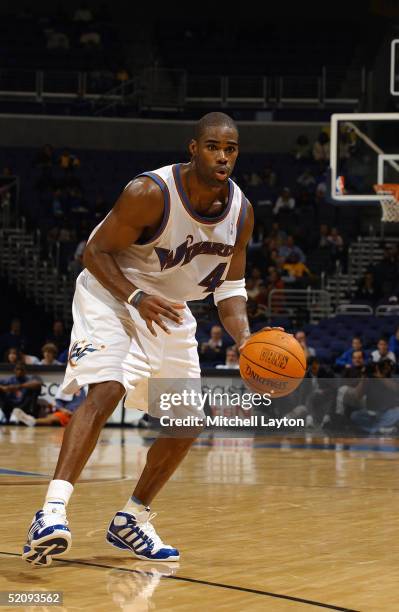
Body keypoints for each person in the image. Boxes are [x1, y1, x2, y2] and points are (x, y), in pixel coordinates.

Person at [22, 112, 280, 567]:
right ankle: (51, 512)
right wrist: (136, 295)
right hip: (114, 294)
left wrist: (244, 338)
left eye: (231, 149)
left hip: (170, 311)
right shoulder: (149, 193)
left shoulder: (242, 213)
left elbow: (231, 290)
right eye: (214, 147)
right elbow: (94, 252)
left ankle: (132, 519)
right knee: (108, 388)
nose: (223, 156)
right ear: (193, 148)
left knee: (186, 423)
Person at [14, 388, 86, 428]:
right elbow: (58, 403)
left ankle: (32, 421)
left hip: (81, 416)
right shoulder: (66, 386)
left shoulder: (87, 388)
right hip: (67, 414)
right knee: (53, 417)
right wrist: (63, 410)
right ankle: (31, 421)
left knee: (54, 418)